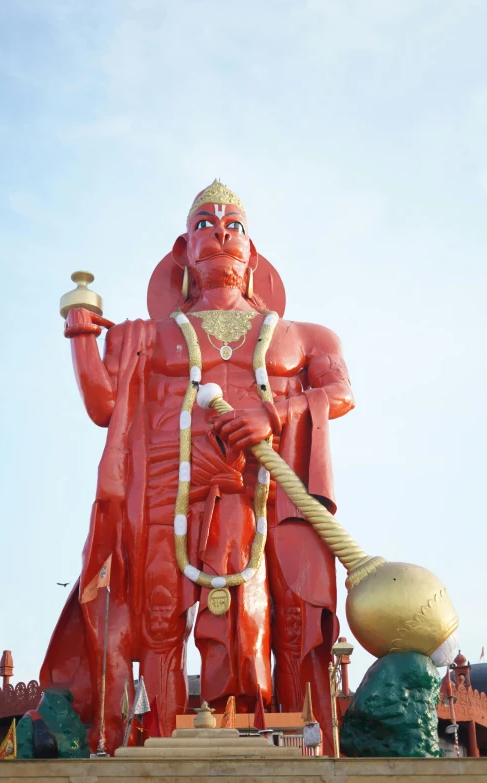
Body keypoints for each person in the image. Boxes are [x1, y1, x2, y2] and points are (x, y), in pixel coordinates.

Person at [40, 180, 354, 754]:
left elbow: (341, 392)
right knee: (159, 616)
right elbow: (104, 405)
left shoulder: (303, 336)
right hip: (166, 487)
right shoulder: (147, 335)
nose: (220, 232)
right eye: (205, 224)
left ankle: (302, 740)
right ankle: (156, 738)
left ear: (251, 252)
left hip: (269, 487)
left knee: (283, 617)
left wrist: (276, 412)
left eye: (233, 224)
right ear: (183, 249)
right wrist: (83, 338)